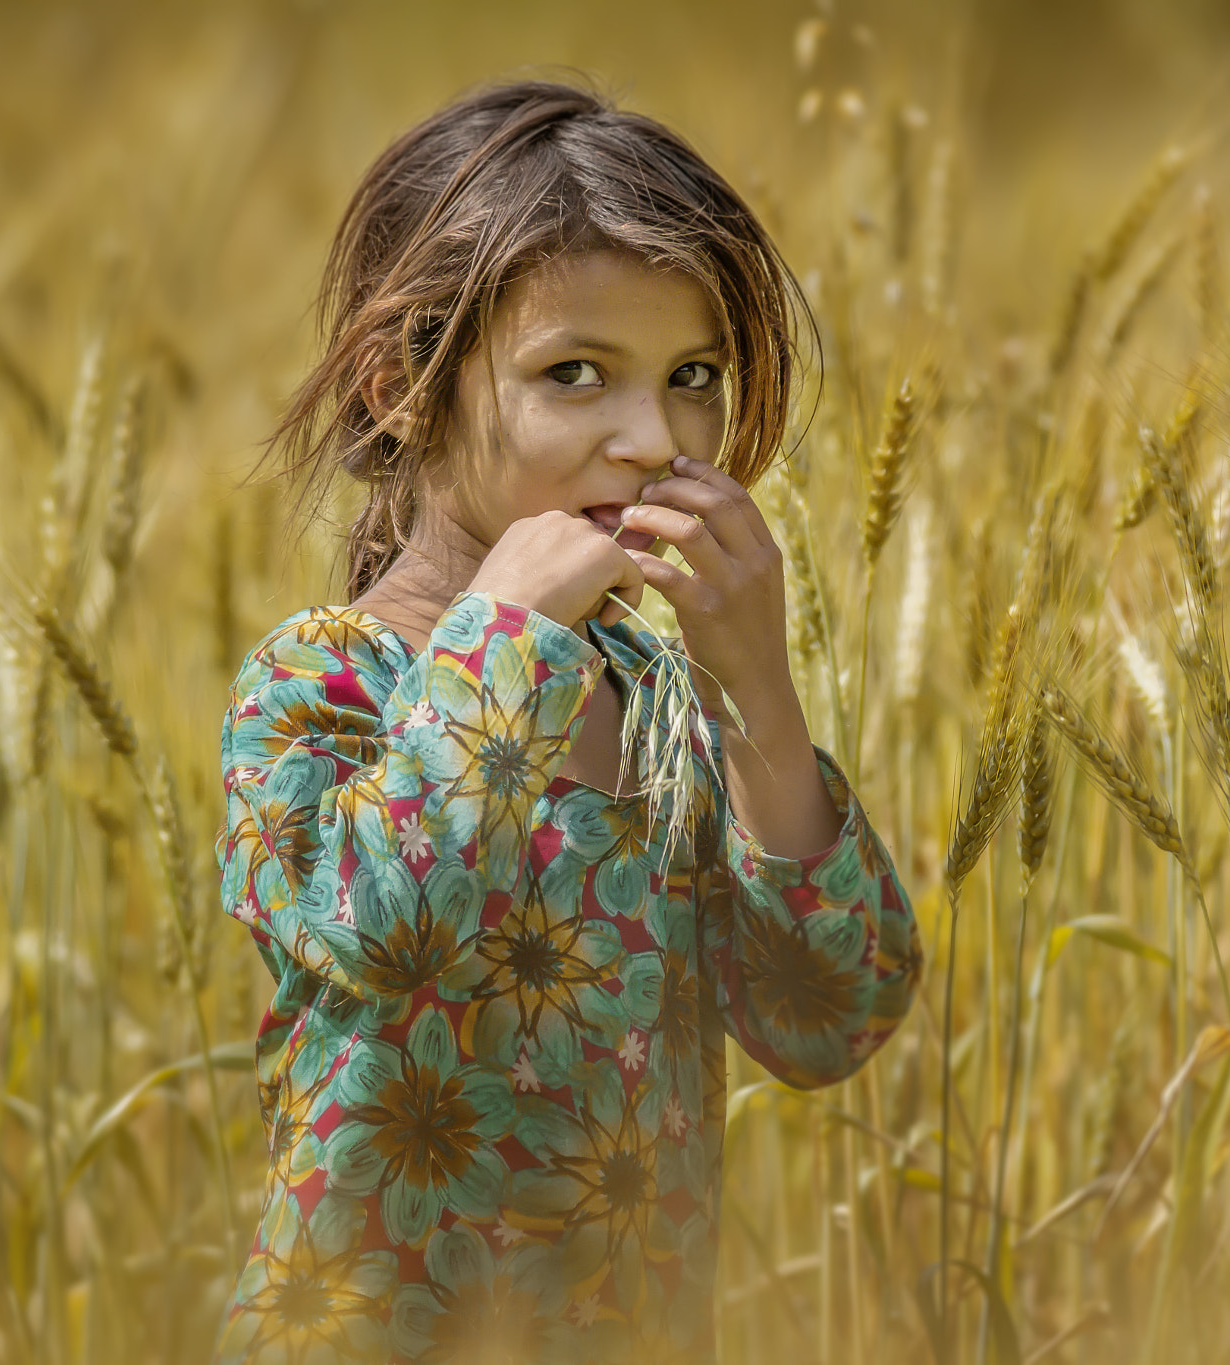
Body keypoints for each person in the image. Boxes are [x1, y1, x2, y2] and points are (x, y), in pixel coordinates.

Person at [212, 78, 921, 1365]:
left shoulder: (657, 705)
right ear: (396, 386)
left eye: (690, 376)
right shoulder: (319, 688)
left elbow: (831, 1017)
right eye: (573, 374)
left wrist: (753, 686)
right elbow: (385, 927)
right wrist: (506, 642)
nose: (650, 437)